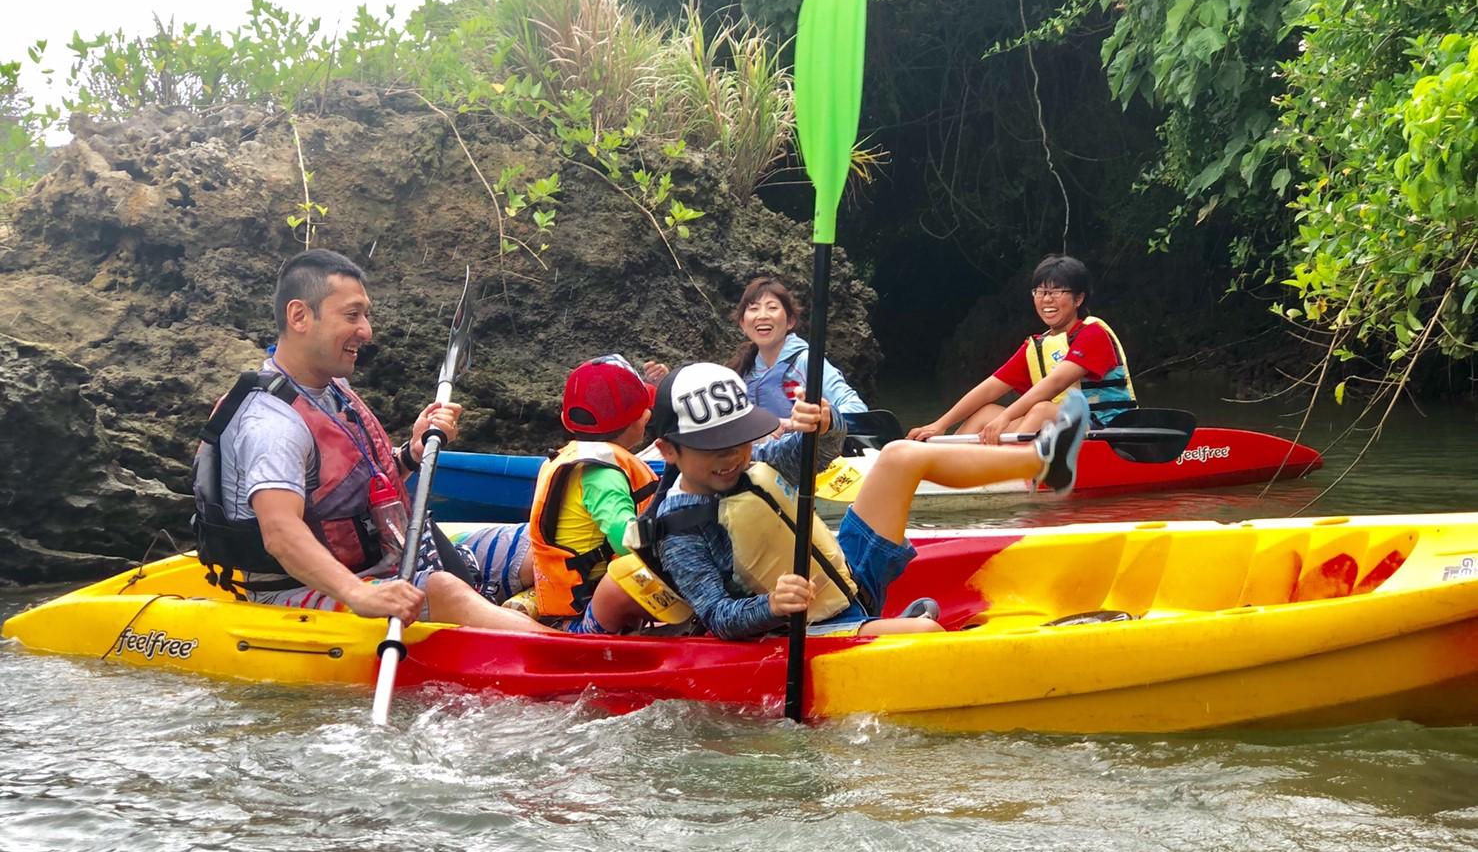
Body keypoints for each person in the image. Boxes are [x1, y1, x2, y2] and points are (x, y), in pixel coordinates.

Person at [191, 248, 549, 633]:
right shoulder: (271, 423)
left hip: (384, 560)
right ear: (299, 316)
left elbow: (358, 492)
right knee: (444, 589)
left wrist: (411, 454)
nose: (366, 331)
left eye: (366, 314)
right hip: (300, 592)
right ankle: (574, 657)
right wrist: (360, 595)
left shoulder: (332, 390)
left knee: (546, 539)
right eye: (351, 315)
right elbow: (281, 533)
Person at [634, 362, 1088, 640]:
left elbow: (827, 449)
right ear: (669, 450)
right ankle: (891, 625)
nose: (731, 457)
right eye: (714, 449)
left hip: (849, 574)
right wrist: (771, 606)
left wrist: (825, 423)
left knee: (900, 455)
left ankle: (1041, 461)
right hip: (802, 627)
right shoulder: (680, 529)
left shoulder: (762, 462)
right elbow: (718, 617)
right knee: (924, 632)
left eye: (738, 441)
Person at [907, 255, 1137, 445]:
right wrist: (940, 424)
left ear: (1078, 299)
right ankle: (947, 463)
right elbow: (990, 388)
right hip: (1064, 429)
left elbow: (1055, 383)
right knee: (987, 412)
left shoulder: (1093, 334)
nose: (1047, 299)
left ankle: (1007, 470)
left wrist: (1006, 417)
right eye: (1040, 291)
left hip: (1106, 431)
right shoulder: (1037, 345)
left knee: (1041, 410)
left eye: (1057, 292)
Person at [518, 355, 660, 633]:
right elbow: (625, 540)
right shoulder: (603, 474)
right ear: (642, 420)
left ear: (566, 420)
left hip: (564, 595)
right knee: (641, 564)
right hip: (584, 606)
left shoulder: (569, 458)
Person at [727, 276, 868, 429]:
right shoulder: (742, 373)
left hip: (802, 450)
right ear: (742, 323)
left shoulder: (806, 361)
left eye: (772, 308)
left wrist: (812, 420)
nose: (762, 316)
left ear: (790, 321)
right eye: (754, 309)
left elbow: (858, 410)